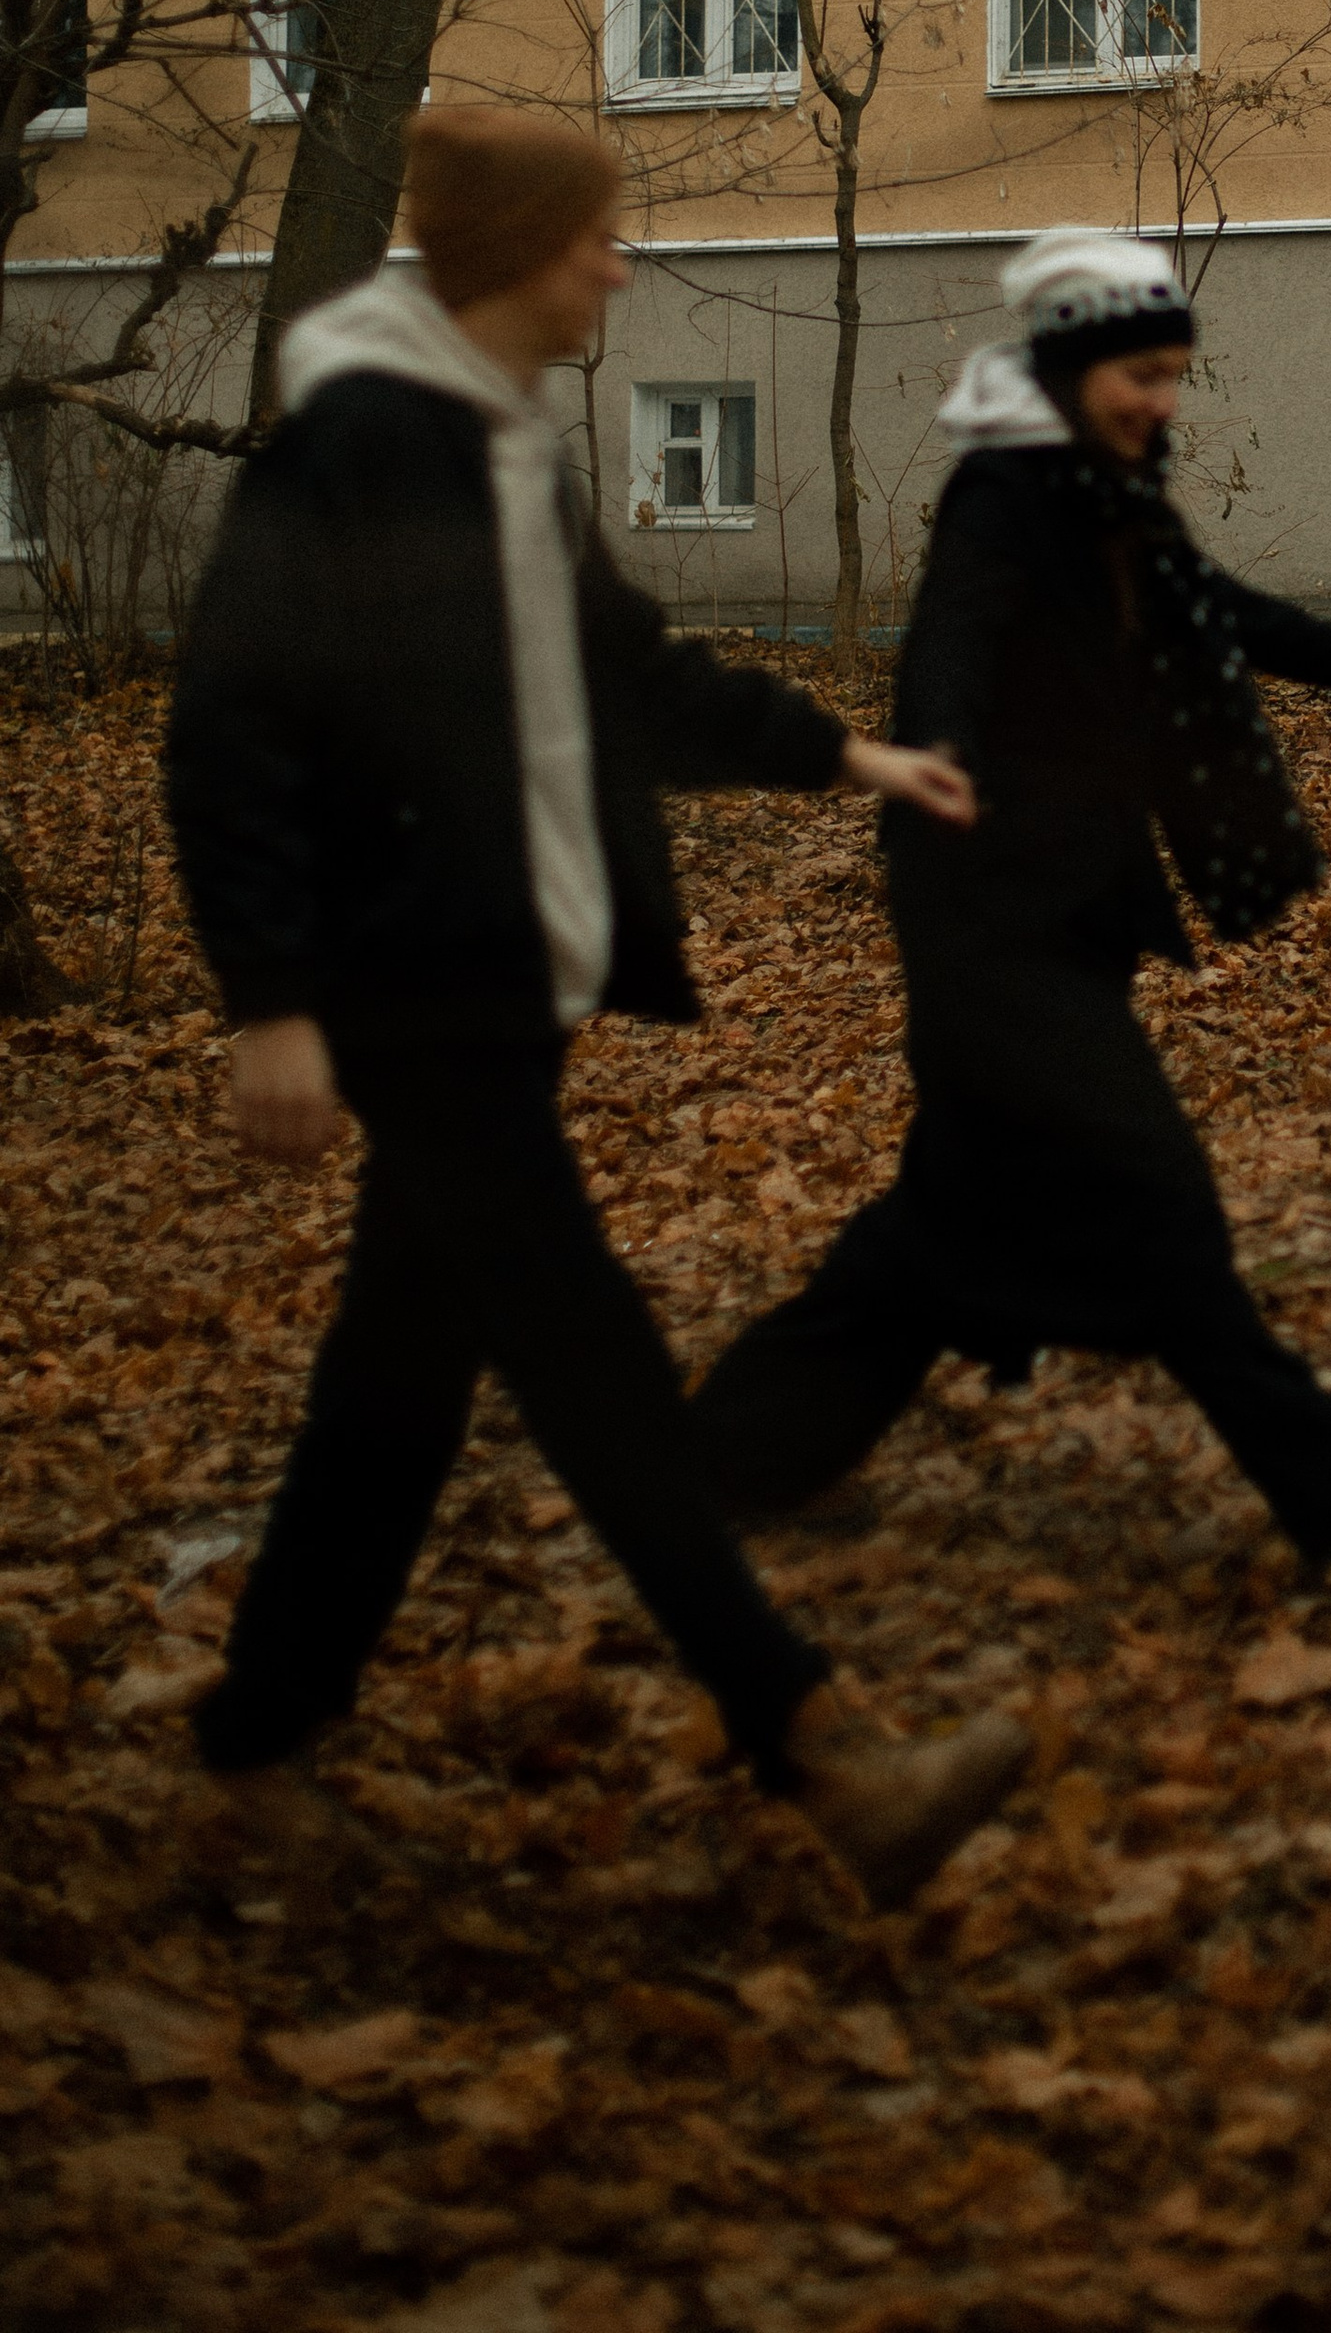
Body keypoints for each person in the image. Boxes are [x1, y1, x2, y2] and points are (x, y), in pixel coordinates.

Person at [162, 107, 1027, 1908]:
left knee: (397, 1382)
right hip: (419, 989)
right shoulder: (362, 444)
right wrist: (272, 1002)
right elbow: (231, 727)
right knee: (598, 1370)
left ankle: (255, 1739)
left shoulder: (500, 443)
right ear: (514, 257)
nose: (615, 270)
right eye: (592, 239)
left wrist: (846, 756)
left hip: (506, 977)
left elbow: (622, 673)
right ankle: (819, 1750)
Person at [688, 227, 1331, 1575]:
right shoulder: (1008, 494)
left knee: (938, 1234)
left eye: (1174, 377)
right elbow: (953, 631)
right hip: (987, 908)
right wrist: (935, 746)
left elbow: (1201, 601)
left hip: (1071, 899)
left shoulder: (1111, 494)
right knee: (1152, 1191)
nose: (1160, 402)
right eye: (1139, 376)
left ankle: (725, 1461)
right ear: (1070, 371)